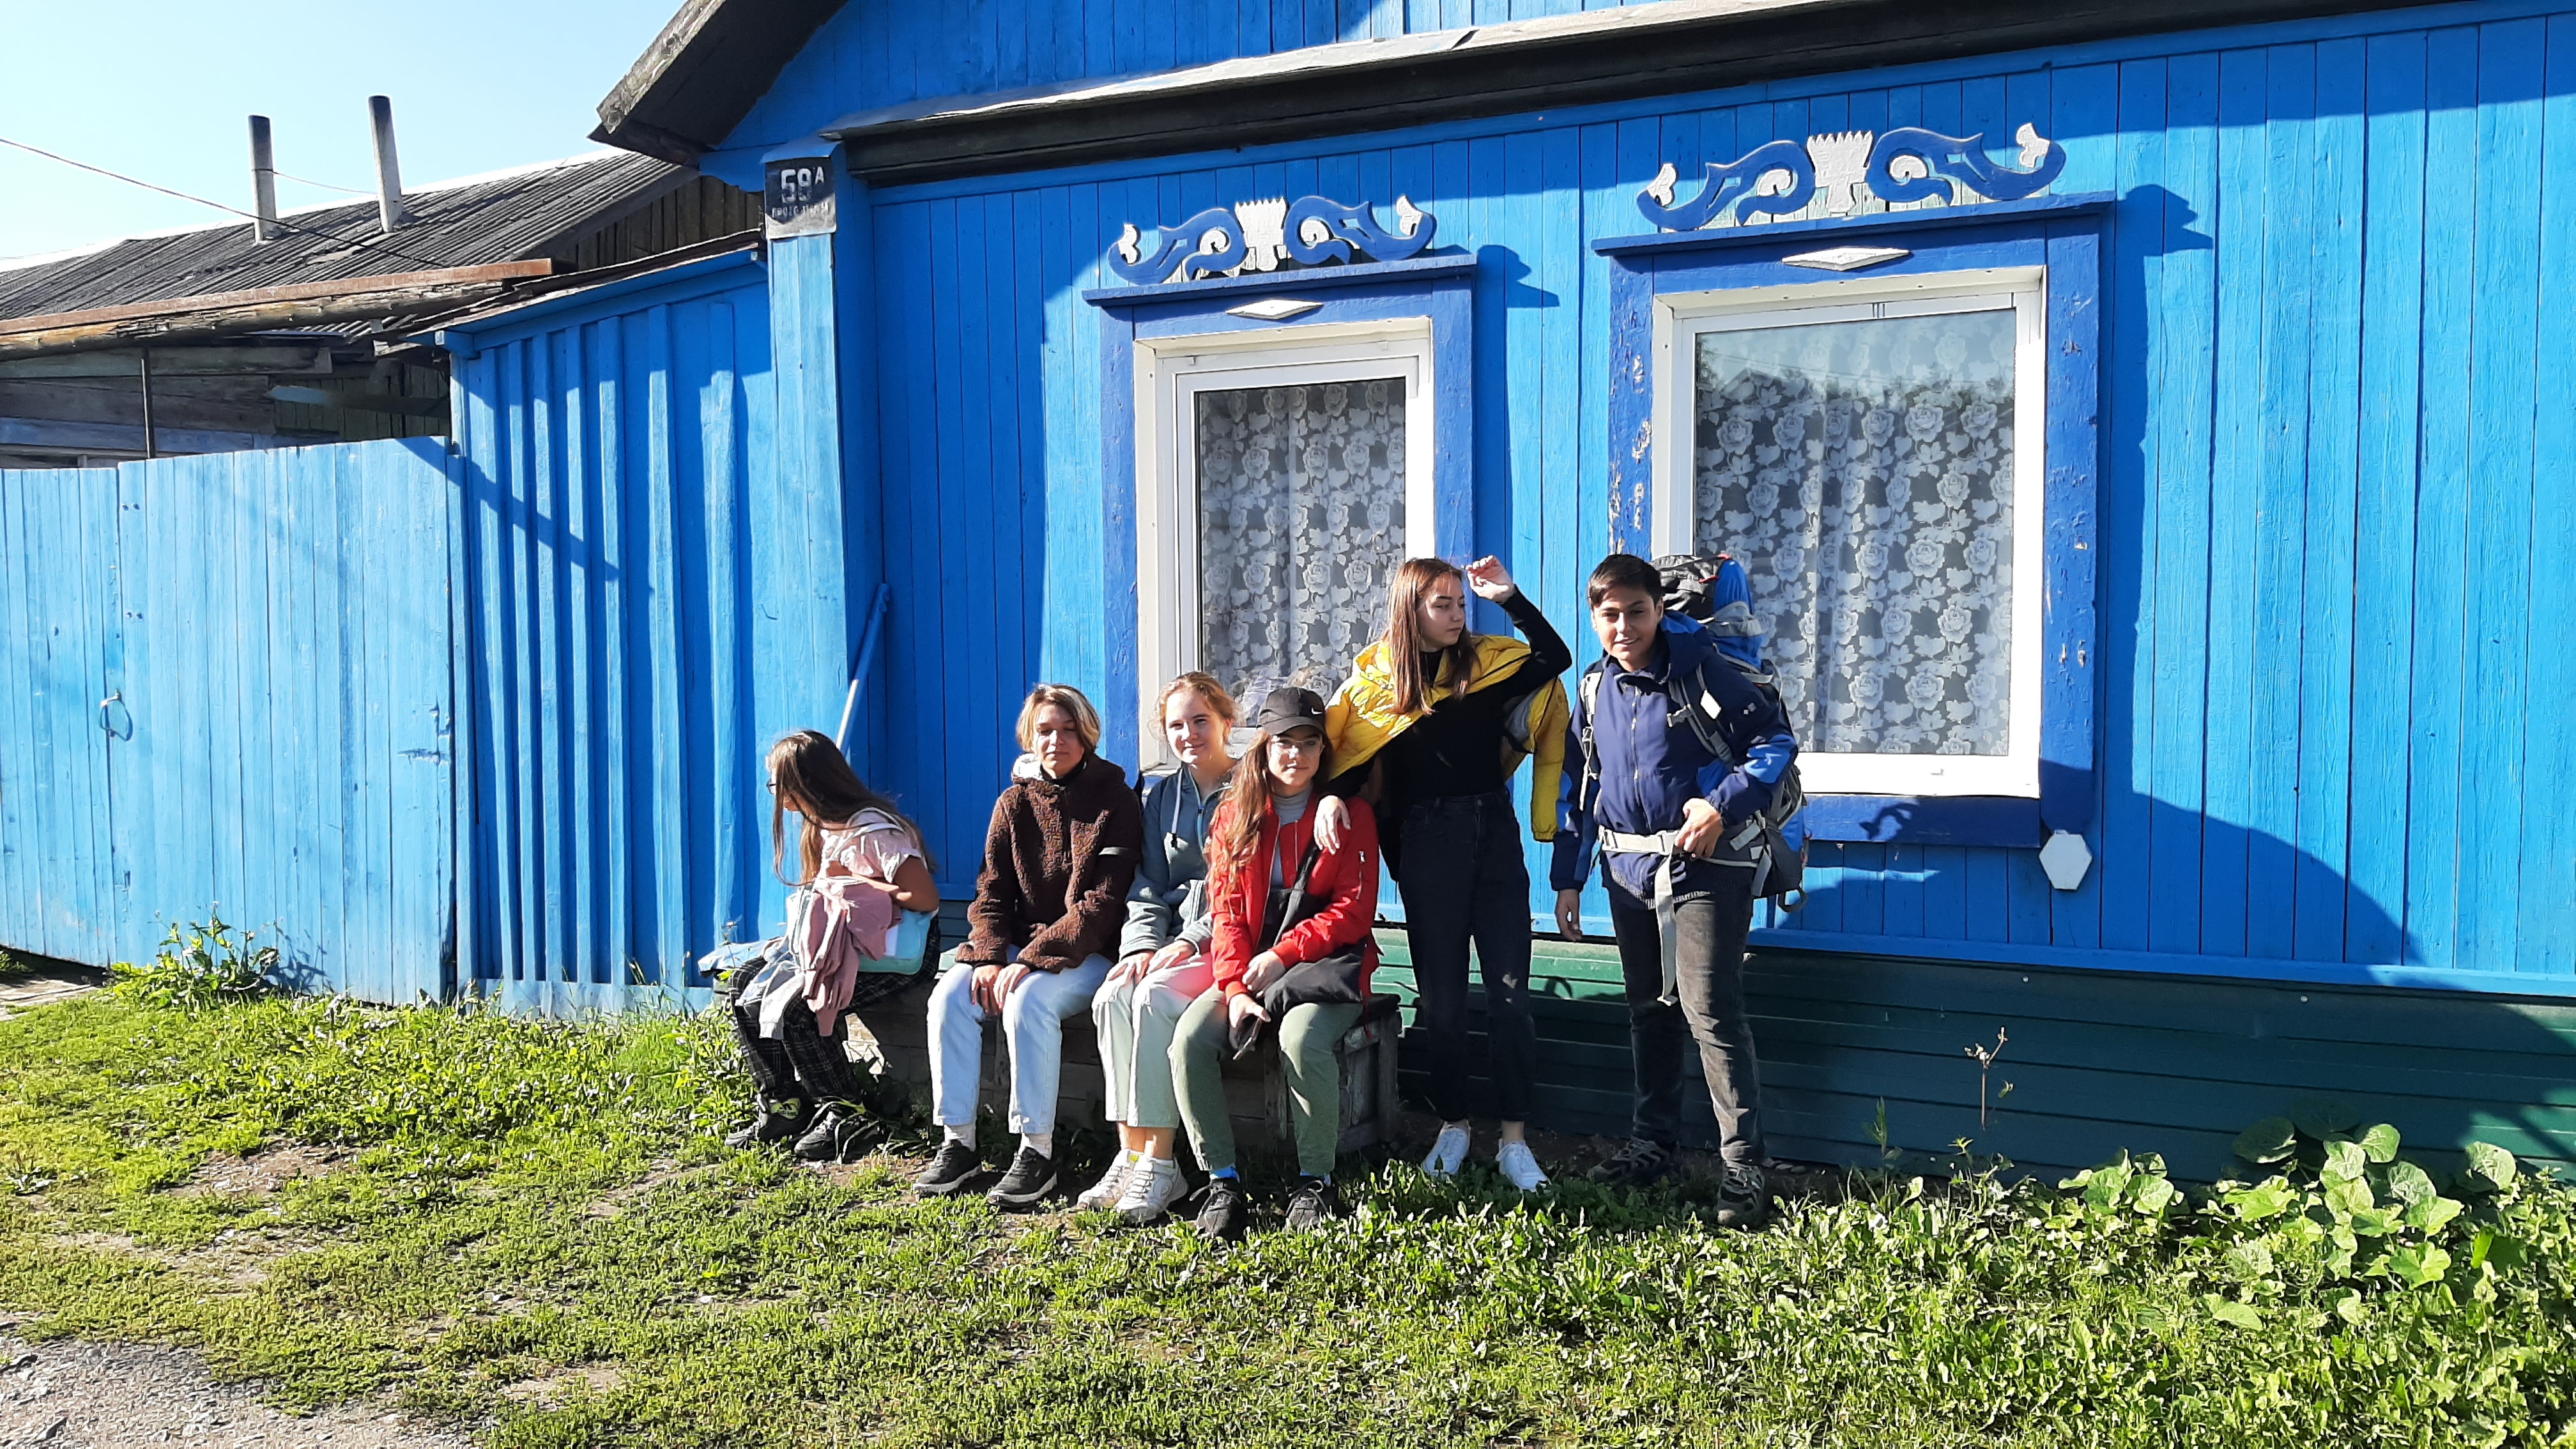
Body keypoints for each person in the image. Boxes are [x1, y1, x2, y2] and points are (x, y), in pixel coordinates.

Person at [1550, 553, 1797, 1227]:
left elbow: (1774, 743)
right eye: (1610, 615)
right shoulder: (1595, 687)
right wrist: (1569, 878)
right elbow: (1580, 787)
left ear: (1659, 611)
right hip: (1628, 872)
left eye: (1637, 611)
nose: (1624, 627)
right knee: (1649, 1009)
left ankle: (1744, 1165)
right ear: (1594, 618)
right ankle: (1652, 1144)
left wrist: (1720, 805)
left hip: (1708, 867)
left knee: (1710, 1009)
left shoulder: (1703, 671)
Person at [1315, 556, 1569, 1191]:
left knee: (1511, 998)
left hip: (1494, 837)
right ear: (1411, 610)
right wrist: (1328, 798)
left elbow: (1554, 657)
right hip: (1427, 845)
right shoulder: (1380, 692)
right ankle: (1453, 1126)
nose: (1458, 615)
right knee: (1444, 1002)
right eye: (1443, 604)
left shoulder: (1482, 669)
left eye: (1461, 603)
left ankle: (1514, 1141)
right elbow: (1347, 763)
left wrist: (1509, 597)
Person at [914, 684, 1145, 1208]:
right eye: (1045, 731)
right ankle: (958, 1142)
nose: (1056, 741)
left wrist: (1035, 961)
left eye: (1068, 730)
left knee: (1029, 1002)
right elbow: (991, 891)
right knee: (948, 999)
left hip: (1089, 952)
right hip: (1019, 948)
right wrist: (990, 956)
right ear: (1029, 738)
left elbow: (1102, 905)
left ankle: (1036, 1150)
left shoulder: (1116, 800)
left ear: (1087, 735)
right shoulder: (1013, 803)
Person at [1172, 687, 1382, 1238]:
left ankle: (1316, 1181)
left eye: (1309, 743)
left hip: (1328, 967)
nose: (1297, 755)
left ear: (1323, 751)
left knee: (1301, 1038)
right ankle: (1222, 1180)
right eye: (1285, 742)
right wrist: (1235, 989)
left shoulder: (1352, 814)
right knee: (1190, 1039)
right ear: (1263, 748)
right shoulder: (1235, 816)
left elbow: (1353, 912)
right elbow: (1226, 914)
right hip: (1252, 969)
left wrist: (1282, 955)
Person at [726, 730, 939, 1162]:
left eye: (778, 782)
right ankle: (784, 1103)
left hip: (894, 953)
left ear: (805, 784)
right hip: (846, 947)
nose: (774, 792)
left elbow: (925, 898)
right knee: (745, 983)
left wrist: (858, 881)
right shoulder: (822, 829)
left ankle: (847, 1112)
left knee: (800, 1007)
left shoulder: (874, 830)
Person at [1080, 673, 1238, 1223]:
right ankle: (1130, 1153)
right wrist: (1140, 947)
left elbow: (1243, 890)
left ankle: (1163, 1163)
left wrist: (1192, 939)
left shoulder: (1251, 789)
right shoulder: (1162, 796)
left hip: (1226, 939)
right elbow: (1147, 883)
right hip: (1169, 940)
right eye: (1176, 725)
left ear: (1226, 722)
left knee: (1153, 998)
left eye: (1201, 720)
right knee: (1112, 995)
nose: (1189, 734)